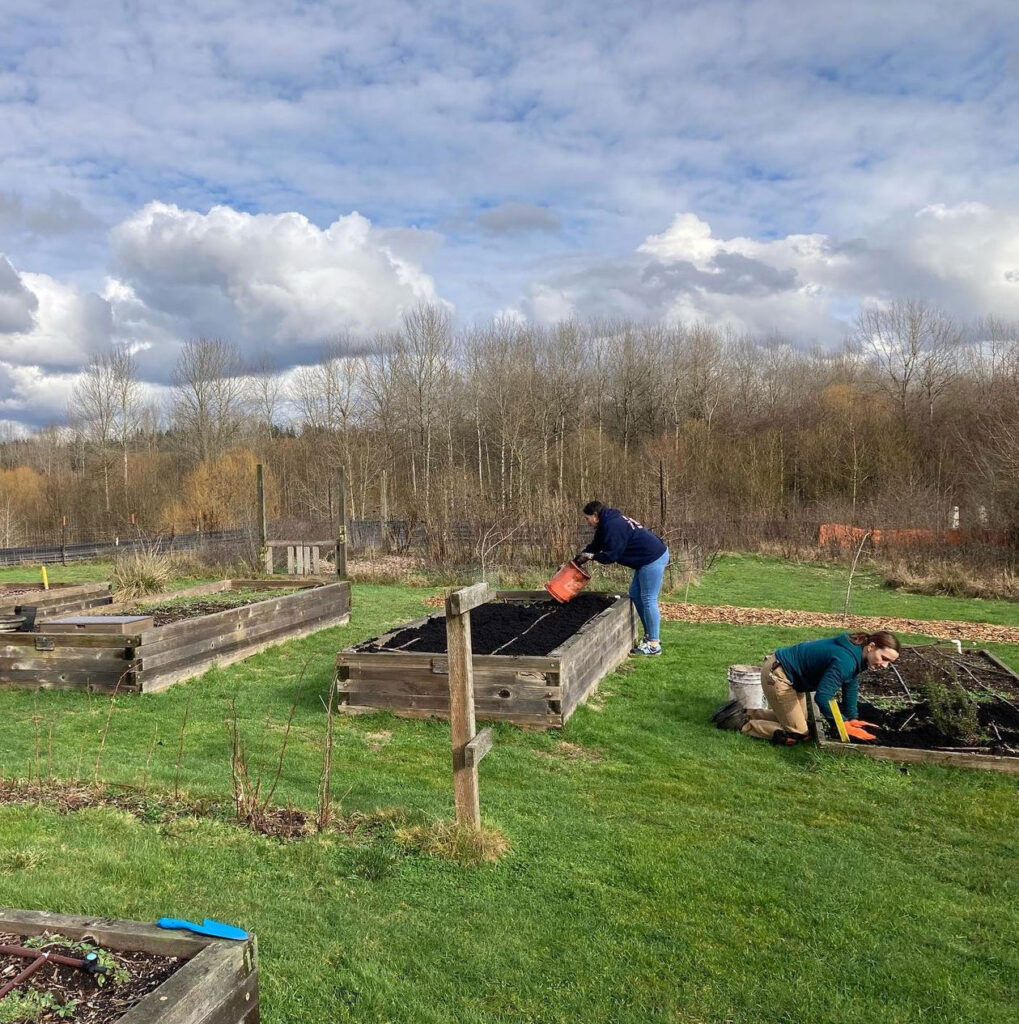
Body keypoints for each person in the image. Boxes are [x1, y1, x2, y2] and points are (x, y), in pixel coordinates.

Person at [715, 630, 901, 745]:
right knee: (798, 733)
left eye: (889, 663)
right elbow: (823, 696)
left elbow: (850, 684)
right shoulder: (846, 660)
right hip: (779, 676)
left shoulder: (856, 654)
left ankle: (745, 712)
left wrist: (852, 718)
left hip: (790, 676)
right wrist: (841, 724)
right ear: (872, 646)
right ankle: (739, 724)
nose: (884, 665)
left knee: (801, 721)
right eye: (884, 658)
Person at [575, 500, 669, 656]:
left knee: (648, 599)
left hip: (652, 558)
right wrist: (577, 560)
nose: (587, 522)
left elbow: (611, 556)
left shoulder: (613, 526)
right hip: (646, 558)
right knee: (635, 594)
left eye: (587, 518)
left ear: (596, 515)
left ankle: (654, 645)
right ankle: (649, 636)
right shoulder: (606, 524)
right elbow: (595, 545)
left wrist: (592, 557)